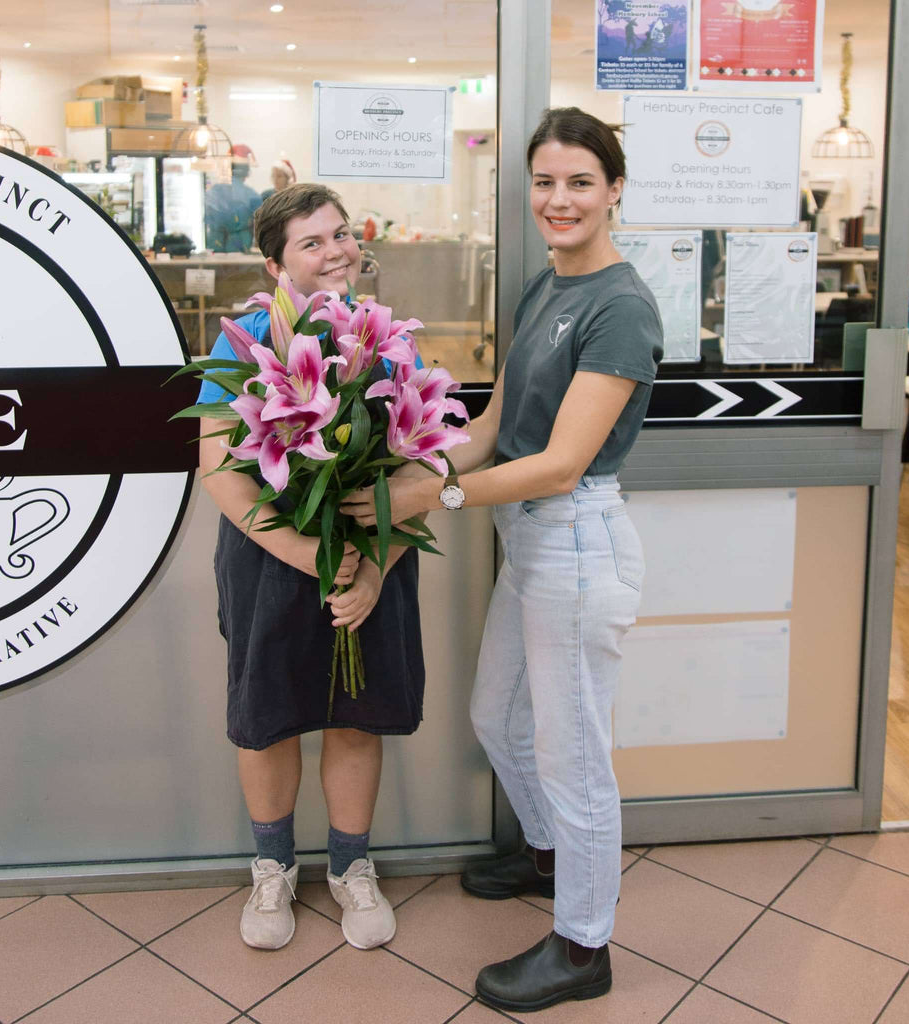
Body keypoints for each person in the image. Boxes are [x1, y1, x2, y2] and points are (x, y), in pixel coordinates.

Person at [342, 107, 663, 1010]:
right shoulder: (543, 287)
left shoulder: (621, 307)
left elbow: (560, 464)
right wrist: (422, 463)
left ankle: (583, 946)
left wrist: (424, 498)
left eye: (580, 183)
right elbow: (491, 430)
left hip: (577, 539)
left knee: (575, 755)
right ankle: (550, 859)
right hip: (526, 539)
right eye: (545, 182)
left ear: (614, 192)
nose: (558, 200)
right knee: (498, 716)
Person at [197, 183, 425, 953]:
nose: (334, 253)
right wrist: (309, 556)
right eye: (310, 243)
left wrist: (370, 570)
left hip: (369, 554)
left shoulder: (385, 335)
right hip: (271, 554)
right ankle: (273, 869)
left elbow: (419, 467)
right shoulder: (248, 337)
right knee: (268, 717)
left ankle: (351, 869)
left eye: (339, 236)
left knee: (355, 711)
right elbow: (220, 468)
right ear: (276, 265)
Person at [204, 144, 263, 253]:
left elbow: (207, 218)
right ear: (247, 170)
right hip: (241, 244)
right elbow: (259, 226)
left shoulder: (214, 191)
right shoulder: (252, 196)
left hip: (215, 243)